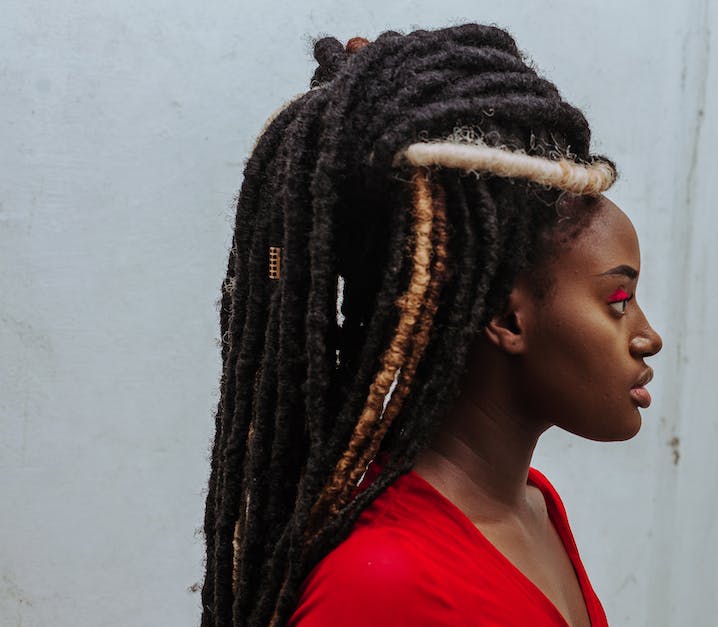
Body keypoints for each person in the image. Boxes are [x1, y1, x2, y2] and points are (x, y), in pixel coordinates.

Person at [201, 24, 663, 627]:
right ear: (504, 316)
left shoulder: (535, 506)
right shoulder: (383, 582)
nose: (648, 336)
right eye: (618, 299)